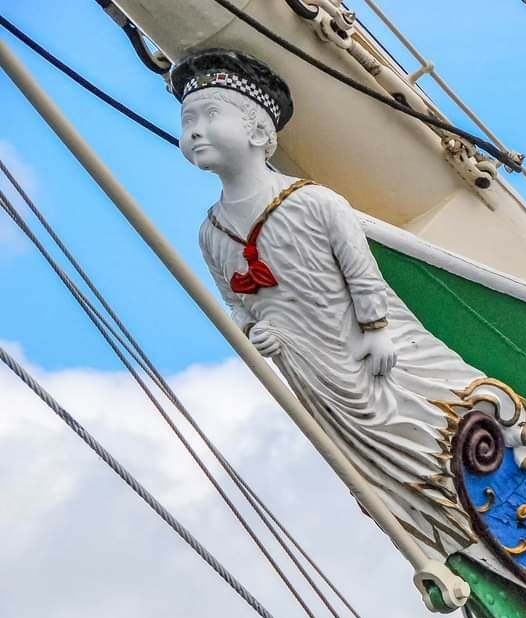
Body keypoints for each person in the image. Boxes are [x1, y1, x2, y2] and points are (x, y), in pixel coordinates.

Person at [172, 48, 493, 556]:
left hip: (370, 352)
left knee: (422, 420)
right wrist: (252, 331)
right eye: (188, 119)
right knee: (371, 459)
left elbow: (360, 274)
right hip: (310, 369)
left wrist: (376, 327)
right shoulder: (210, 234)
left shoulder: (314, 202)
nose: (194, 130)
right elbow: (235, 304)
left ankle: (469, 486)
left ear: (258, 132)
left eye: (212, 115)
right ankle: (430, 517)